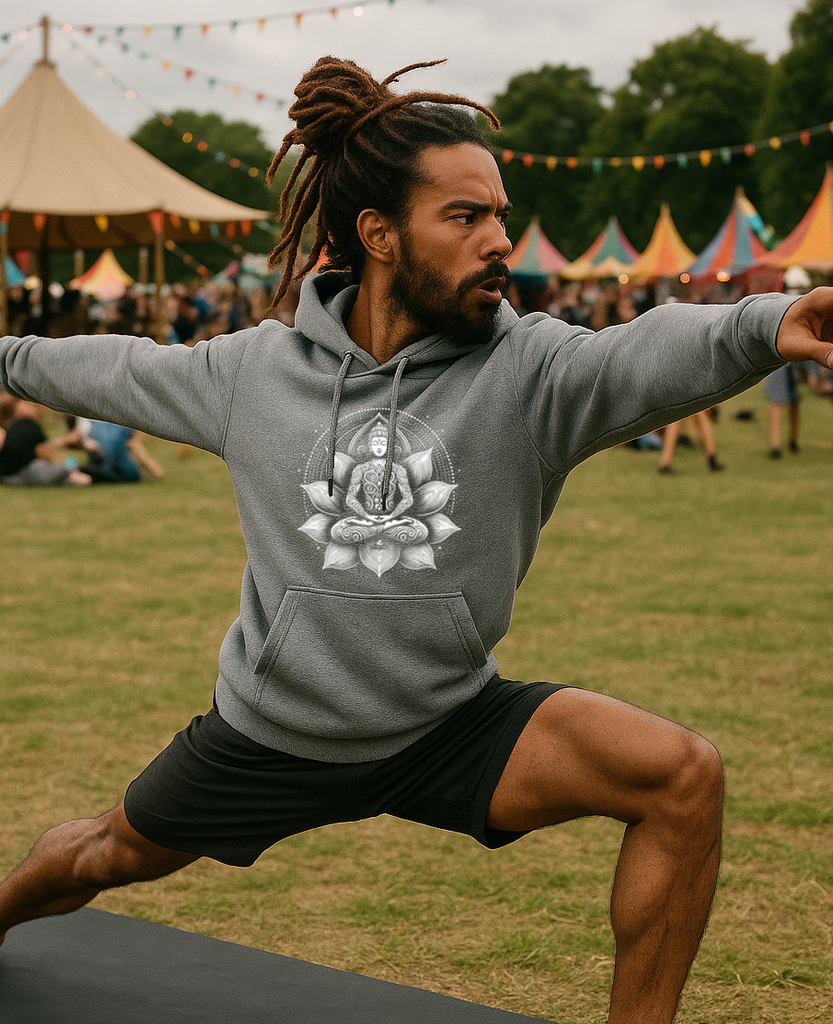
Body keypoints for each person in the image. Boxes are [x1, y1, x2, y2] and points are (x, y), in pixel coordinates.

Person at [1, 57, 833, 1024]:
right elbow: (114, 368)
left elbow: (645, 347)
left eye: (499, 215)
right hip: (274, 731)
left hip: (446, 723)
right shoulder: (253, 374)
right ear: (378, 234)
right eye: (465, 216)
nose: (499, 240)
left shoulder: (532, 373)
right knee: (102, 853)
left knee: (681, 777)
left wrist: (774, 319)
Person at [0, 399, 92, 486]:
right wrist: (57, 464)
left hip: (8, 475)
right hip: (27, 471)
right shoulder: (28, 426)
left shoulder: (13, 425)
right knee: (65, 473)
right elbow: (41, 450)